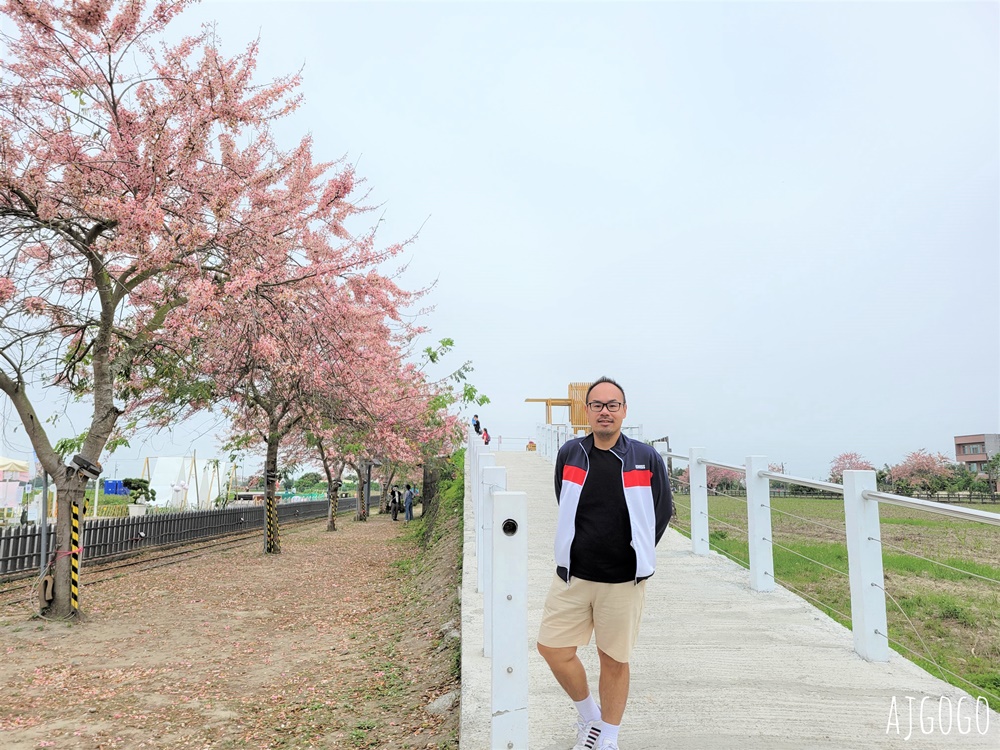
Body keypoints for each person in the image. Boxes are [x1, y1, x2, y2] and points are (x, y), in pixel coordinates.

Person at [536, 376, 672, 750]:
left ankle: (607, 737)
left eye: (613, 405)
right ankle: (590, 718)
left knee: (613, 659)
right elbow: (563, 499)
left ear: (624, 411)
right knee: (552, 648)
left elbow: (662, 511)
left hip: (623, 581)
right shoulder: (570, 453)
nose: (605, 411)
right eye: (597, 405)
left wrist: (639, 551)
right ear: (587, 411)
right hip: (573, 575)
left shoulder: (645, 457)